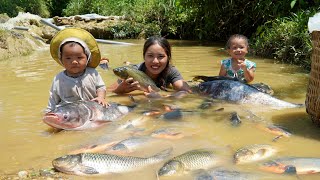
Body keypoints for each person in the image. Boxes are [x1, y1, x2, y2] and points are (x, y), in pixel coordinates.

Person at [45, 27, 108, 113]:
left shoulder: (92, 73)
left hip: (91, 111)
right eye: (68, 58)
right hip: (69, 115)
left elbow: (101, 87)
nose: (74, 62)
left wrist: (101, 97)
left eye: (79, 57)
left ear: (87, 58)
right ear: (61, 60)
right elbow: (53, 99)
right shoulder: (58, 79)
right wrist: (49, 112)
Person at [110, 36, 191, 98]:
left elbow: (188, 92)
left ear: (168, 58)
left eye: (161, 56)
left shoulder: (171, 71)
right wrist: (119, 90)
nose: (155, 61)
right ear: (144, 57)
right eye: (150, 56)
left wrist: (164, 98)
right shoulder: (132, 71)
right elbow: (109, 92)